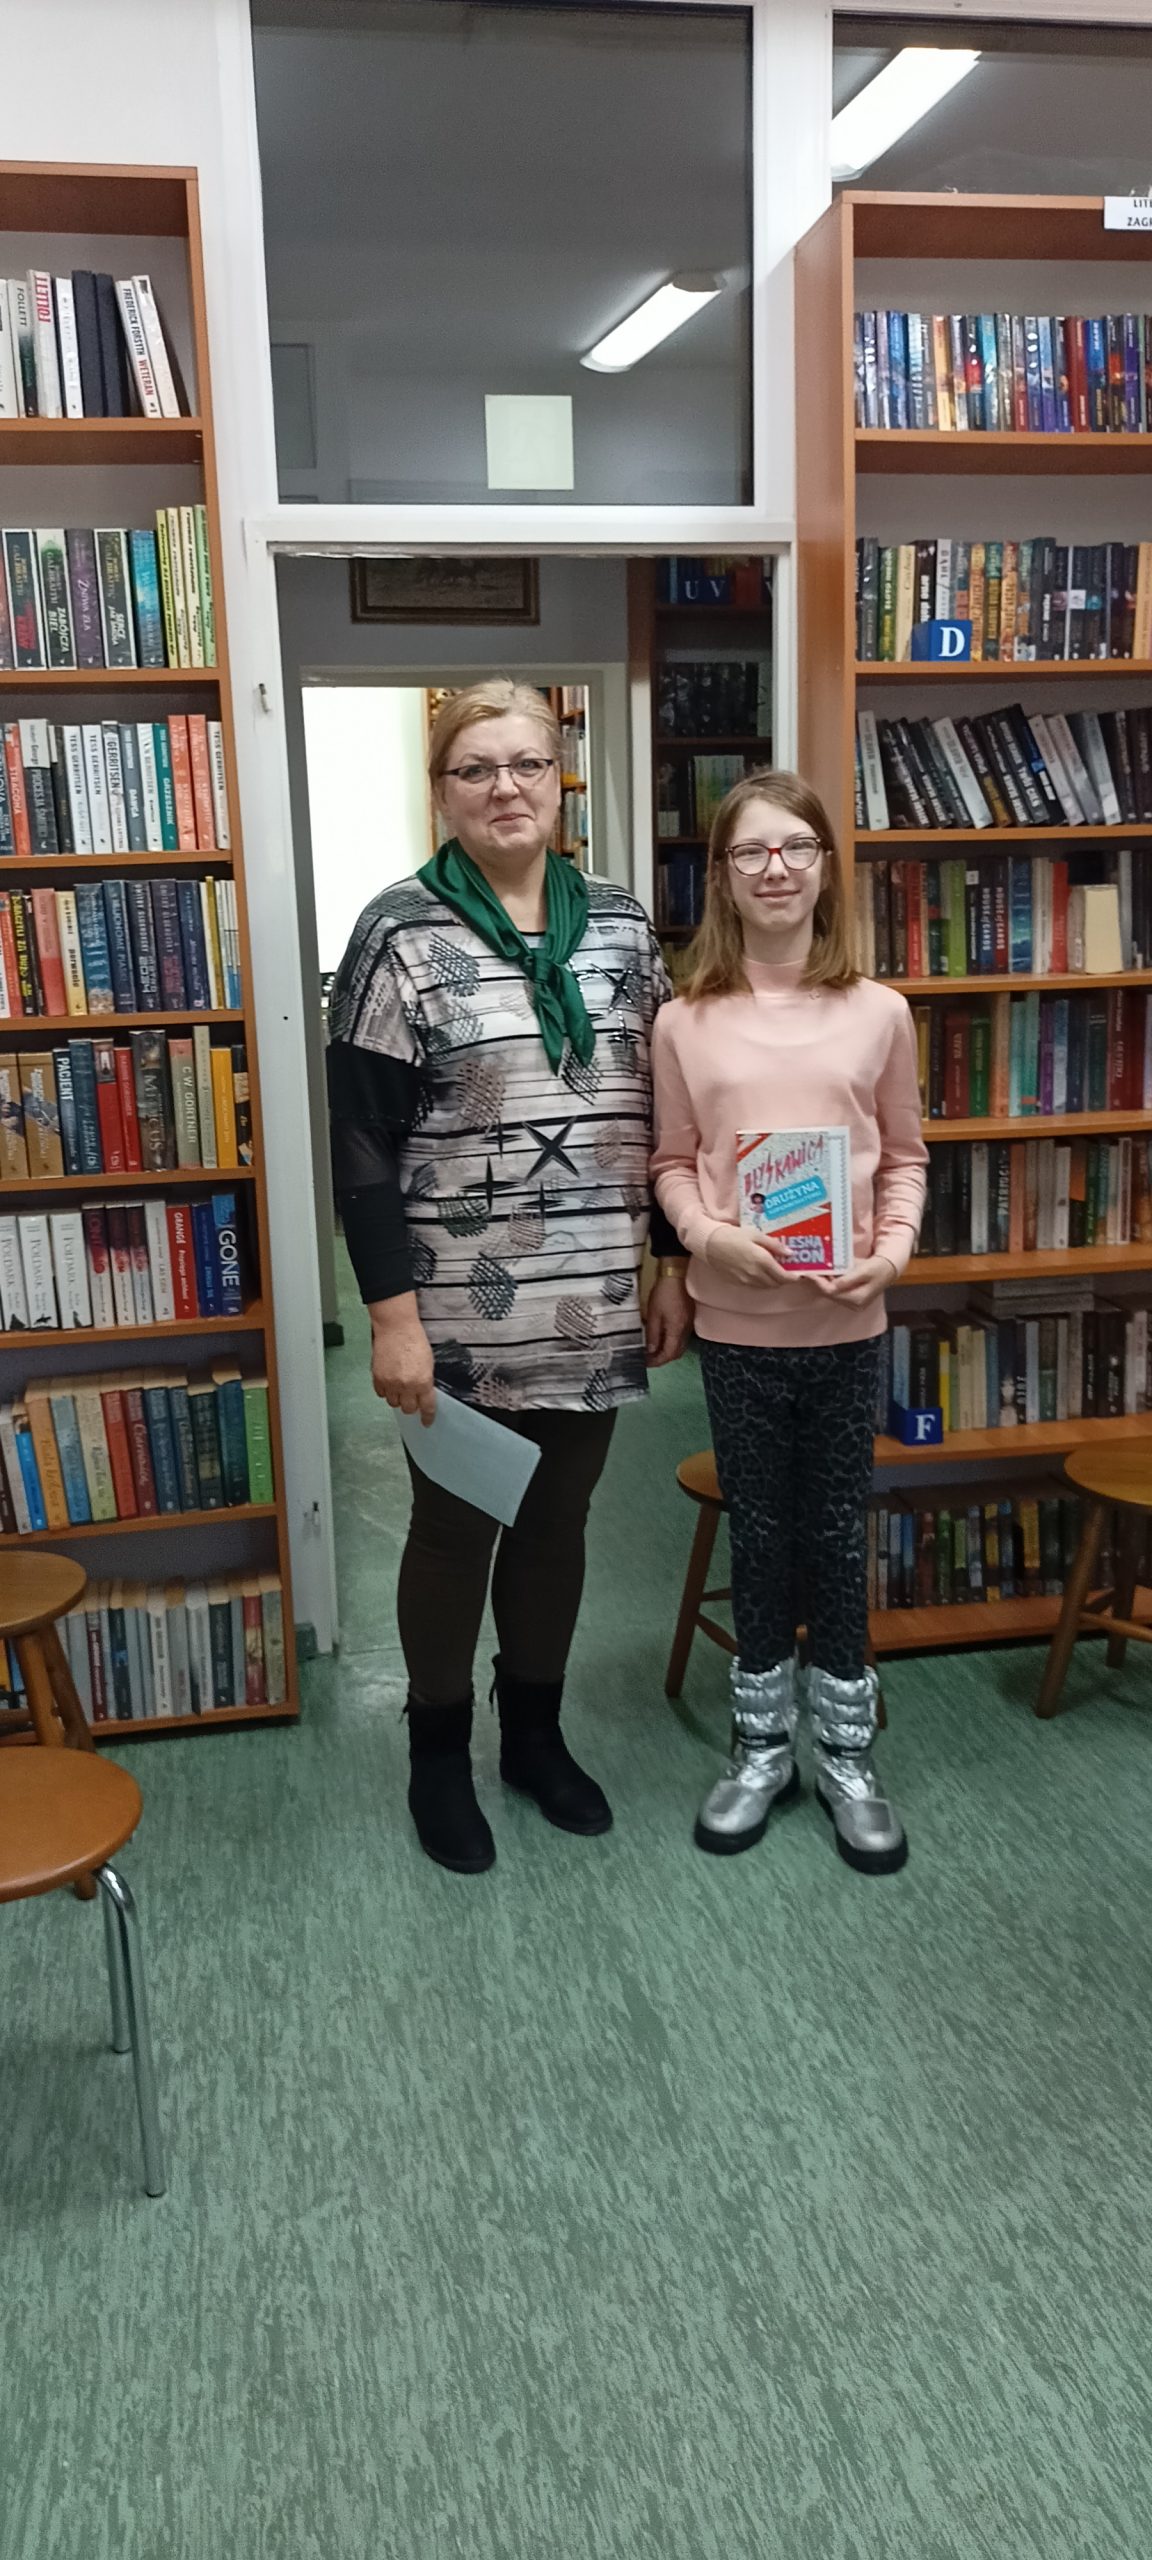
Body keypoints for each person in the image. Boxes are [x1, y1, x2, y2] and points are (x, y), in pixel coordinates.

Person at [326, 677, 692, 1876]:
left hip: (594, 1294)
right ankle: (439, 1754)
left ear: (559, 775)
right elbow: (362, 1146)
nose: (505, 787)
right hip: (456, 1312)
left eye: (526, 762)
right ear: (443, 791)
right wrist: (391, 1319)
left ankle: (535, 1734)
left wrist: (673, 1264)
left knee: (557, 1523)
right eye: (475, 768)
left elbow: (671, 1110)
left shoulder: (624, 925)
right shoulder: (397, 933)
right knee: (454, 1531)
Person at [651, 769, 927, 1874]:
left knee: (836, 1533)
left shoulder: (880, 1012)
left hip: (847, 1325)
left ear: (824, 867)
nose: (774, 869)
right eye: (750, 852)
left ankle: (849, 1754)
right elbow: (672, 1163)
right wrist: (702, 1238)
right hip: (738, 1326)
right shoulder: (684, 1021)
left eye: (795, 848)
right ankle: (761, 1746)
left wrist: (892, 1254)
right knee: (761, 1536)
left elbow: (903, 1158)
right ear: (722, 876)